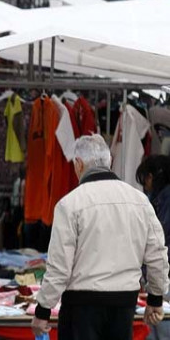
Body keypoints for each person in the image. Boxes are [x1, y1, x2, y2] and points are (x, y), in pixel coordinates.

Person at [31, 135, 169, 340]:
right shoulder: (140, 201)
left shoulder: (69, 205)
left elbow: (59, 266)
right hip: (123, 305)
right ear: (110, 161)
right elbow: (157, 254)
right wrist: (155, 299)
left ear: (78, 164)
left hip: (81, 307)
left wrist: (43, 311)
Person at [136, 156, 170, 339]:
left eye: (145, 179)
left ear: (151, 176)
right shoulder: (158, 200)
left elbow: (159, 244)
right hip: (160, 274)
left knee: (161, 327)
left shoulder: (163, 201)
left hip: (163, 274)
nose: (145, 185)